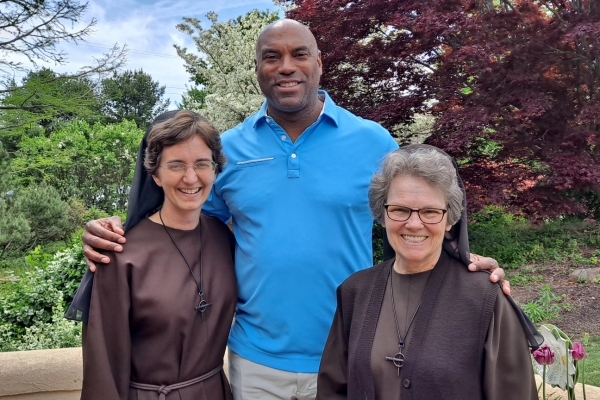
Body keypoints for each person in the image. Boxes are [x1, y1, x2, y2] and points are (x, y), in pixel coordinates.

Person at [75, 20, 507, 400]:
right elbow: (184, 227)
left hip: (352, 349)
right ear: (257, 69)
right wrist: (120, 232)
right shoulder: (229, 149)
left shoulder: (373, 141)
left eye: (299, 54)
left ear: (319, 62)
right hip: (255, 360)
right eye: (272, 57)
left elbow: (417, 217)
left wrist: (463, 265)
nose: (286, 66)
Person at [316, 145, 539, 400]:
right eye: (400, 210)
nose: (413, 224)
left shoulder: (485, 298)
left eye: (430, 212)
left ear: (449, 219)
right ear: (383, 214)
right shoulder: (355, 291)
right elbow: (332, 391)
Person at [80, 110, 237, 400]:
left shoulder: (222, 237)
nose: (191, 177)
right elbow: (103, 366)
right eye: (176, 165)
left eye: (202, 164)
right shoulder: (120, 254)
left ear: (215, 170)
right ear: (155, 174)